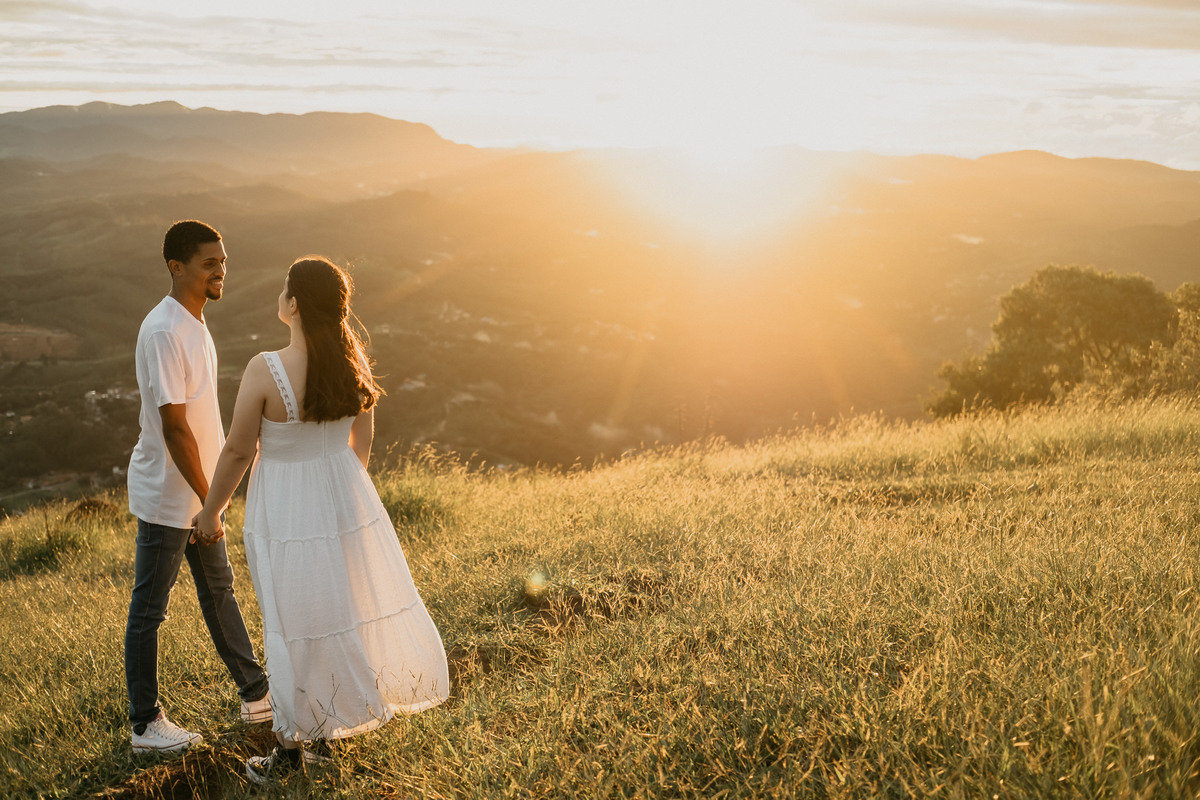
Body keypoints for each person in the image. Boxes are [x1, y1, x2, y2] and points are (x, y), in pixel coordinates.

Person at [193, 255, 449, 784]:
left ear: (293, 304)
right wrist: (339, 493)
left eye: (284, 287)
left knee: (292, 624)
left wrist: (210, 511)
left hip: (287, 507)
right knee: (338, 614)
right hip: (343, 498)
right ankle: (328, 736)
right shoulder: (351, 359)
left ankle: (290, 751)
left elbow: (239, 449)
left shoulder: (267, 368)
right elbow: (363, 445)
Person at [124, 220, 272, 753]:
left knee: (219, 594)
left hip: (202, 496)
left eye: (223, 261)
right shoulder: (164, 329)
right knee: (149, 610)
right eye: (210, 262)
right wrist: (210, 498)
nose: (221, 270)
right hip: (171, 495)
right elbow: (174, 426)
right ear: (176, 266)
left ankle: (256, 695)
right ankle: (145, 725)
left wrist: (211, 501)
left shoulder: (194, 322)